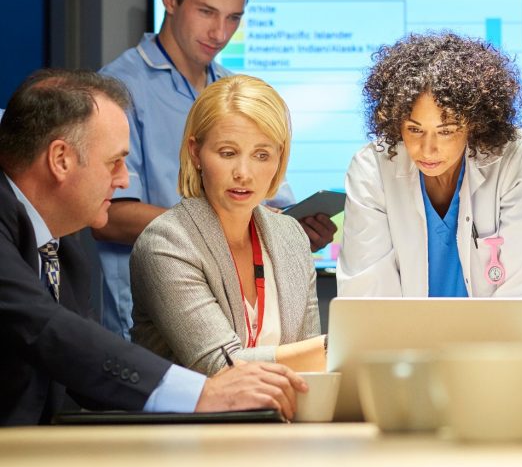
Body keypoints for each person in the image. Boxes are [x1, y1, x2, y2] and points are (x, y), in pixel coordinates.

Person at [0, 69, 306, 426]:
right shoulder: (165, 239)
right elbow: (46, 329)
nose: (124, 179)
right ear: (61, 159)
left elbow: (83, 370)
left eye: (262, 154)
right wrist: (202, 392)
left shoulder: (63, 246)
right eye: (115, 162)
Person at [96, 0, 336, 338]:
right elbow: (108, 215)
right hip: (146, 320)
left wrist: (294, 232)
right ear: (170, 0)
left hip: (238, 316)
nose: (220, 33)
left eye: (233, 18)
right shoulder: (118, 90)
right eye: (207, 12)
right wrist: (224, 228)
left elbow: (270, 202)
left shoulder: (234, 90)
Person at [130, 75, 326, 375]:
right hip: (189, 422)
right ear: (195, 153)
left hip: (283, 418)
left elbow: (312, 370)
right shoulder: (166, 243)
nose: (244, 173)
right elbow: (221, 367)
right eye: (228, 153)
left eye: (262, 155)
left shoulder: (291, 237)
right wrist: (335, 349)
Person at [336, 32, 522, 298]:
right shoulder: (373, 168)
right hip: (402, 337)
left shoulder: (517, 157)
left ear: (475, 124)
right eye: (414, 130)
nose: (428, 149)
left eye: (447, 131)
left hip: (497, 335)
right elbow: (367, 294)